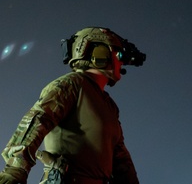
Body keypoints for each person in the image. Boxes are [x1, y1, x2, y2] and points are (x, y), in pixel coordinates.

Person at [0, 27, 146, 184]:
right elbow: (36, 121)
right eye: (119, 55)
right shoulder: (71, 84)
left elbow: (121, 158)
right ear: (100, 53)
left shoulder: (109, 106)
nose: (121, 62)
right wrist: (14, 171)